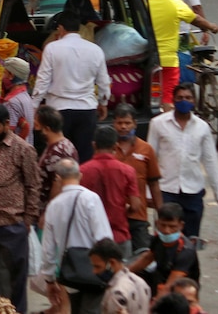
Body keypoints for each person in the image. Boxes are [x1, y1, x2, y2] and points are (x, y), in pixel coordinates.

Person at [0, 104, 40, 314]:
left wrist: (28, 220)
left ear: (6, 124)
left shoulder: (23, 150)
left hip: (13, 222)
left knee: (17, 274)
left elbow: (33, 186)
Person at [147, 82, 218, 240]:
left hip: (193, 192)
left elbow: (210, 161)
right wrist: (148, 193)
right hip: (166, 190)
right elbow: (149, 159)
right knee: (166, 237)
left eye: (188, 98)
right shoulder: (158, 124)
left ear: (194, 101)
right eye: (180, 97)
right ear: (174, 100)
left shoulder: (202, 127)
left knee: (191, 240)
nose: (184, 101)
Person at [32, 11, 111, 162]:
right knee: (84, 157)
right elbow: (103, 81)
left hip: (59, 111)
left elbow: (43, 81)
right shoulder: (95, 50)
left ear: (60, 29)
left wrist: (34, 106)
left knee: (60, 156)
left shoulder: (52, 48)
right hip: (87, 110)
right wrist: (103, 103)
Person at [41, 159, 113, 314]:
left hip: (68, 273)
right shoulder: (91, 199)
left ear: (58, 178)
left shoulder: (54, 206)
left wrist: (50, 279)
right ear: (80, 175)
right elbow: (104, 237)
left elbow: (48, 249)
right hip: (94, 269)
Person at [147, 0, 218, 111]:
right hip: (169, 62)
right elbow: (196, 19)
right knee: (168, 99)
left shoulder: (142, 4)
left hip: (147, 61)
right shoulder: (175, 4)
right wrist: (212, 27)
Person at [80, 126, 141, 259]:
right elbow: (136, 206)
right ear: (115, 146)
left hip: (90, 237)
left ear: (94, 145)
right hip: (119, 235)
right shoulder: (128, 171)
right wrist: (124, 211)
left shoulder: (82, 171)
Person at [113, 103, 163, 252]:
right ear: (114, 124)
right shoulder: (107, 148)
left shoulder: (146, 149)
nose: (123, 127)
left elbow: (154, 184)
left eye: (127, 123)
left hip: (138, 217)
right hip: (113, 218)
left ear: (135, 123)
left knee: (142, 257)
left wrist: (161, 214)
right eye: (119, 123)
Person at [127, 203, 200, 297]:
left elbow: (170, 285)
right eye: (163, 225)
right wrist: (124, 273)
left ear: (181, 226)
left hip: (182, 290)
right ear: (157, 223)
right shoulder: (158, 239)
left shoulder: (185, 251)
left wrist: (153, 306)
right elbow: (147, 258)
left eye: (172, 226)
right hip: (160, 281)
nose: (166, 231)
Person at [34, 104, 79, 211]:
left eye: (36, 126)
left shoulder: (59, 151)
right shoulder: (57, 146)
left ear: (46, 129)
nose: (34, 129)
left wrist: (49, 212)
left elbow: (58, 183)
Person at [89, 238, 151, 314]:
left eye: (97, 266)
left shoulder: (116, 293)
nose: (94, 271)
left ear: (112, 263)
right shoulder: (141, 283)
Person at [0, 57, 33, 144]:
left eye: (4, 73)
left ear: (11, 75)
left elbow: (9, 134)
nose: (2, 77)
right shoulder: (26, 96)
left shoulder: (11, 102)